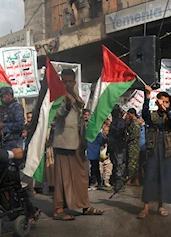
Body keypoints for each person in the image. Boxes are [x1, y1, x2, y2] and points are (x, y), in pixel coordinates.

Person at [52, 69, 104, 221]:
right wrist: (67, 105)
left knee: (81, 176)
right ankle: (58, 209)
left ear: (74, 82)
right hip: (64, 143)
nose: (67, 84)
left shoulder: (76, 96)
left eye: (70, 81)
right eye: (65, 81)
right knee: (62, 178)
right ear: (61, 81)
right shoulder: (58, 96)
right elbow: (58, 114)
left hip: (77, 142)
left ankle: (84, 205)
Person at [139, 86, 171, 219]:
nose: (165, 104)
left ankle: (161, 206)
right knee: (150, 176)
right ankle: (146, 207)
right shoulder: (152, 115)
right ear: (157, 102)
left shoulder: (169, 115)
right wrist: (147, 96)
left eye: (167, 102)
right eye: (163, 101)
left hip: (166, 150)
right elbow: (144, 114)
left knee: (164, 178)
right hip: (153, 149)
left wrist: (166, 108)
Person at [0, 87, 25, 151]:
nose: (1, 99)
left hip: (14, 143)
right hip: (6, 142)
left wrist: (3, 126)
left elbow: (20, 125)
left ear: (9, 95)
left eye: (2, 97)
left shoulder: (16, 107)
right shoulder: (6, 108)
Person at [109, 105, 127, 189]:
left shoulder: (119, 122)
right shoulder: (115, 122)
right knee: (116, 164)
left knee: (118, 165)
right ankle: (116, 181)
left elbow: (119, 132)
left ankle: (118, 182)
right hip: (115, 146)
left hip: (119, 146)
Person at [87, 124, 108, 189]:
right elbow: (101, 142)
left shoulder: (91, 133)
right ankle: (98, 181)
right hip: (94, 152)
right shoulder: (98, 134)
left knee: (94, 168)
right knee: (95, 167)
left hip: (92, 152)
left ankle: (95, 182)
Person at [126, 108, 141, 186]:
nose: (128, 116)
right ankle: (135, 180)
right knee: (134, 163)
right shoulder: (132, 123)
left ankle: (131, 179)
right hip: (133, 145)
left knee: (132, 163)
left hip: (134, 146)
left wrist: (126, 138)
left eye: (129, 114)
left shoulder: (135, 123)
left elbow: (134, 135)